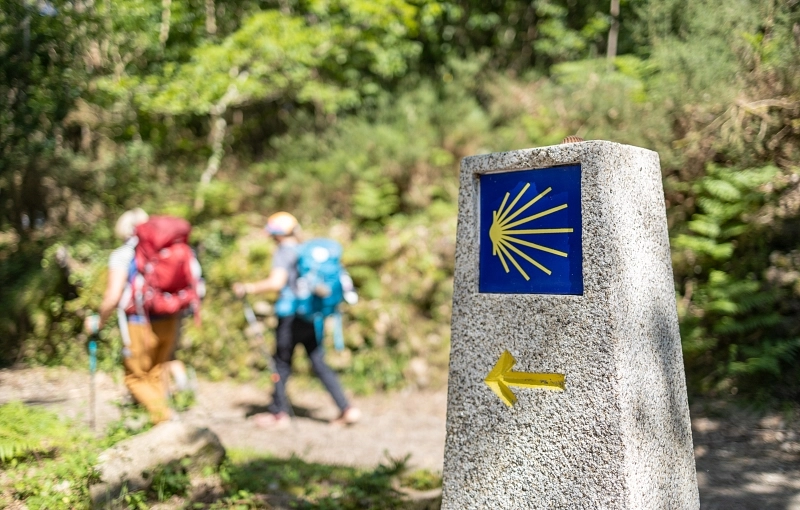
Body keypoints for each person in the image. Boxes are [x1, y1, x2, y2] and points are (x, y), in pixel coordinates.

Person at [233, 212, 361, 429]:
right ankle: (347, 409)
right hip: (310, 315)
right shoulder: (305, 251)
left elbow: (277, 282)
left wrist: (248, 288)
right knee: (318, 362)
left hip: (290, 315)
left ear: (277, 234)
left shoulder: (284, 252)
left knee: (281, 363)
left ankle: (278, 414)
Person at [84, 208, 181, 424]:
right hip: (170, 320)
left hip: (140, 323)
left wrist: (97, 322)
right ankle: (161, 424)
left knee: (135, 378)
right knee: (154, 373)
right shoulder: (166, 250)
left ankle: (166, 421)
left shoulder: (123, 254)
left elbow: (112, 296)